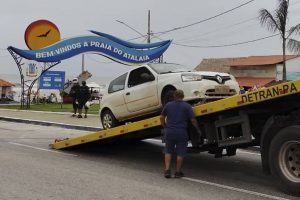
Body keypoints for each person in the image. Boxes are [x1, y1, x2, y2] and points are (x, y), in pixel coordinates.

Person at [160, 89, 202, 178]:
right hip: (181, 132)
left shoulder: (168, 105)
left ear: (174, 96)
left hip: (170, 132)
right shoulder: (187, 106)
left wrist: (164, 125)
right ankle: (178, 172)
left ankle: (167, 170)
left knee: (168, 151)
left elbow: (161, 117)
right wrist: (197, 129)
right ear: (183, 96)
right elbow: (193, 120)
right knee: (180, 153)